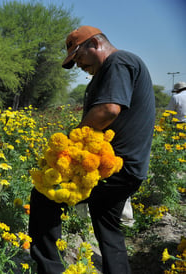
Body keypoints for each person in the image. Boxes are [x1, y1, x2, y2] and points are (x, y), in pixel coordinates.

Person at [28, 26, 155, 274]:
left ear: (95, 44)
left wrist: (73, 140)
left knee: (45, 194)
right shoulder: (115, 68)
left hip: (113, 167)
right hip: (128, 168)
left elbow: (108, 110)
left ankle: (48, 269)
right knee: (107, 227)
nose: (78, 66)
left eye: (78, 58)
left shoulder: (119, 61)